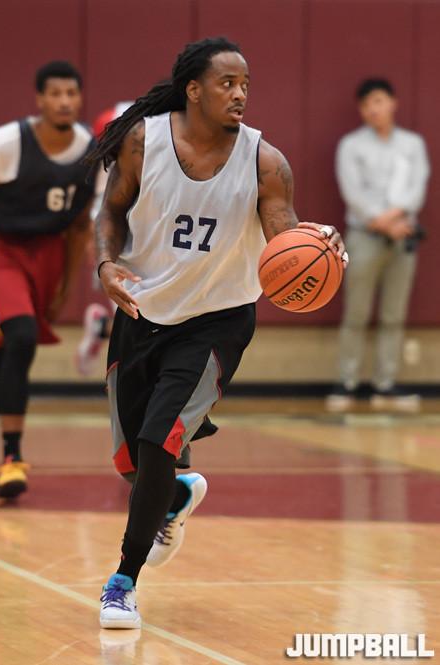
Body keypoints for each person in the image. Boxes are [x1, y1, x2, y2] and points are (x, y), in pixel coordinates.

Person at [89, 37, 347, 629]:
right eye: (227, 83)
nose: (240, 94)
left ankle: (122, 581)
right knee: (133, 464)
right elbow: (111, 212)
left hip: (217, 320)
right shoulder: (142, 142)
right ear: (193, 89)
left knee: (160, 440)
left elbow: (285, 236)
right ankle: (174, 495)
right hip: (143, 311)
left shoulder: (264, 161)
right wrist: (106, 264)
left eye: (246, 85)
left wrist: (319, 243)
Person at [0, 61, 97, 498]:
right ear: (39, 100)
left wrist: (66, 284)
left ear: (80, 98)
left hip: (48, 254)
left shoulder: (90, 152)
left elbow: (79, 228)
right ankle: (13, 456)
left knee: (8, 352)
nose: (64, 101)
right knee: (20, 336)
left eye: (71, 93)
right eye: (55, 94)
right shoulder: (4, 143)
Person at [327, 78, 430, 412]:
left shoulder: (412, 144)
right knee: (356, 312)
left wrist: (396, 221)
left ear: (392, 103)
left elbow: (416, 189)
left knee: (393, 315)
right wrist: (383, 222)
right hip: (364, 237)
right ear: (361, 110)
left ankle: (385, 384)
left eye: (379, 101)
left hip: (403, 237)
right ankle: (347, 382)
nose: (374, 108)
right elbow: (353, 194)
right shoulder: (351, 145)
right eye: (367, 103)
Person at [76, 101, 134, 377]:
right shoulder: (115, 136)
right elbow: (102, 200)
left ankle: (102, 328)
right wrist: (95, 240)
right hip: (120, 242)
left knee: (144, 322)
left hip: (150, 239)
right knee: (134, 321)